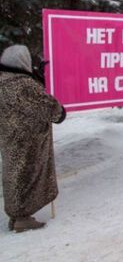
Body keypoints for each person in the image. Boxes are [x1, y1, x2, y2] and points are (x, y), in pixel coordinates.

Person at [0, 45, 66, 232]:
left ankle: (15, 216)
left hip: (8, 140)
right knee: (27, 176)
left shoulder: (2, 81)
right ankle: (23, 217)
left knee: (13, 175)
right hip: (29, 141)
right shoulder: (23, 84)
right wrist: (60, 111)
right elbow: (50, 109)